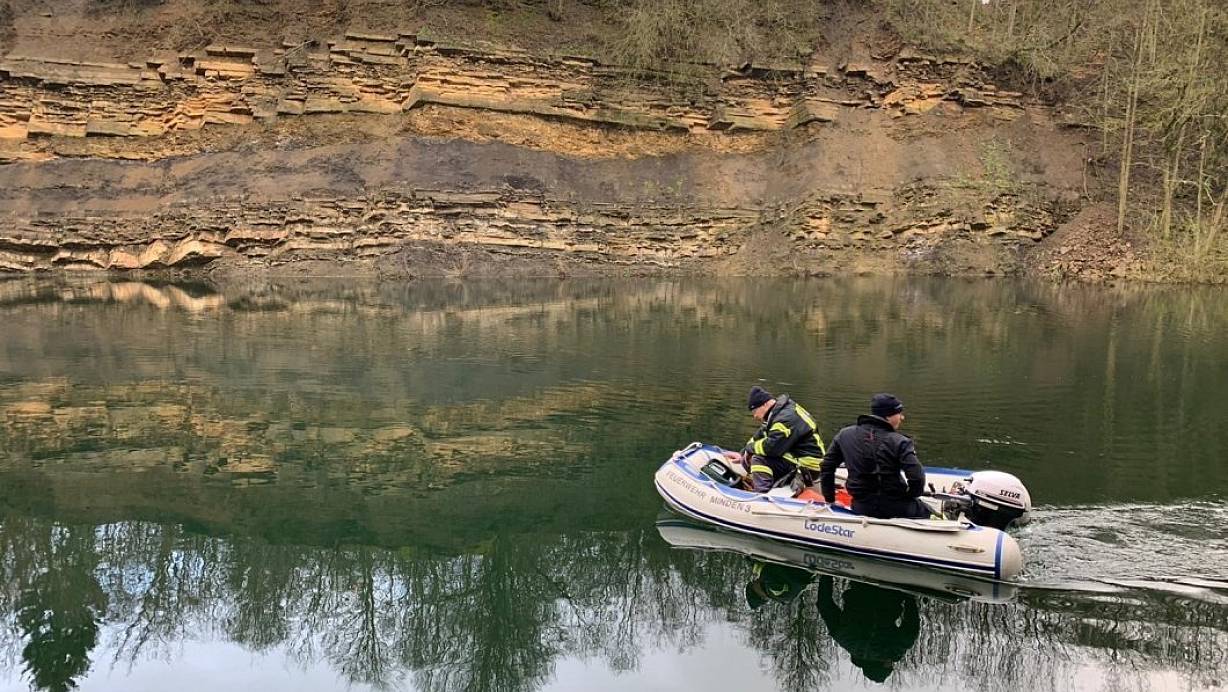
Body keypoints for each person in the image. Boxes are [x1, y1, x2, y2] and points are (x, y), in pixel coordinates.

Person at [818, 393, 930, 519]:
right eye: (899, 413)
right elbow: (917, 478)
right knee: (933, 514)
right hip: (897, 508)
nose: (902, 417)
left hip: (861, 507)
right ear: (888, 416)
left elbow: (826, 467)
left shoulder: (844, 435)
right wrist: (910, 496)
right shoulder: (900, 441)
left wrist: (830, 500)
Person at [816, 575, 919, 683]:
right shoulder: (845, 639)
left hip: (891, 591)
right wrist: (826, 574)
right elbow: (824, 604)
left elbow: (911, 630)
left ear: (883, 665)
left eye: (890, 665)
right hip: (860, 584)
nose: (892, 662)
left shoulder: (891, 651)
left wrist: (909, 597)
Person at [725, 386, 826, 493]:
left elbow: (771, 448)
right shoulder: (779, 412)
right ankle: (768, 482)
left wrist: (750, 449)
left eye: (755, 411)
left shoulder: (784, 419)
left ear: (765, 404)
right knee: (753, 454)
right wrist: (743, 453)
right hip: (802, 458)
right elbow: (760, 435)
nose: (754, 416)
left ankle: (761, 494)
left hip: (807, 466)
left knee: (759, 458)